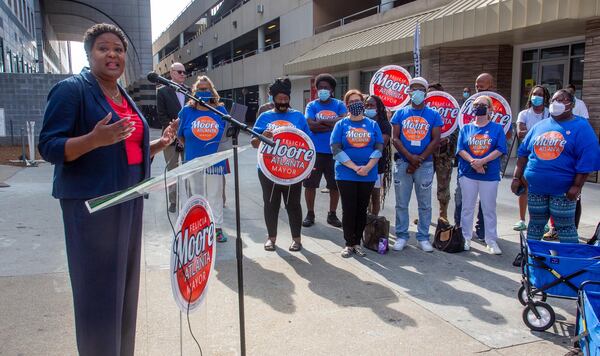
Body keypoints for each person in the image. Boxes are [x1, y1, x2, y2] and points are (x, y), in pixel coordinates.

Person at [37, 24, 177, 356]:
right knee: (97, 292)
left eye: (118, 49)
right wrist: (92, 139)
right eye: (104, 48)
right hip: (91, 206)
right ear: (90, 54)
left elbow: (124, 149)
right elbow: (49, 146)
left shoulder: (120, 93)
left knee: (124, 289)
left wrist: (158, 144)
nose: (112, 54)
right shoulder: (71, 90)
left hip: (128, 199)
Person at [512, 89, 600, 243]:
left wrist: (577, 185)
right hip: (536, 188)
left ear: (571, 104)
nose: (555, 103)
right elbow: (523, 153)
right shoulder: (541, 125)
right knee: (535, 225)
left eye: (561, 100)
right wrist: (516, 177)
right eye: (553, 100)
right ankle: (532, 258)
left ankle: (570, 262)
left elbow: (587, 158)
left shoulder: (581, 127)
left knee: (565, 228)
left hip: (563, 191)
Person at [252, 78, 311, 252]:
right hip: (268, 169)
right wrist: (263, 136)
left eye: (286, 99)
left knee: (293, 204)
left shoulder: (298, 116)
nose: (283, 102)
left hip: (293, 170)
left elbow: (308, 144)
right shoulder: (264, 117)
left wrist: (307, 168)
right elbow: (254, 142)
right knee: (271, 204)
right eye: (280, 99)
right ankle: (271, 238)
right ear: (273, 99)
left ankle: (296, 239)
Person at [390, 77, 442, 252]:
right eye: (413, 89)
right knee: (401, 203)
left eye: (420, 89)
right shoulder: (400, 113)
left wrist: (419, 159)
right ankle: (402, 235)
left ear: (425, 92)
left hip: (425, 165)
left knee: (425, 204)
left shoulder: (433, 115)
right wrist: (410, 157)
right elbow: (395, 138)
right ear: (409, 92)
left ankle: (423, 237)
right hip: (403, 162)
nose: (417, 92)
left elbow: (436, 140)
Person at [331, 89, 383, 257]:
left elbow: (379, 147)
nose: (356, 105)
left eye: (358, 101)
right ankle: (348, 243)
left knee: (361, 209)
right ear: (347, 105)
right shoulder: (341, 125)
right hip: (346, 174)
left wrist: (367, 167)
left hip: (368, 174)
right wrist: (354, 167)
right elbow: (335, 148)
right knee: (349, 209)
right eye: (351, 102)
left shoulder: (372, 125)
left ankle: (357, 242)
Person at [177, 75, 230, 243]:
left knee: (215, 194)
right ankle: (199, 227)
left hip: (215, 160)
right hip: (194, 160)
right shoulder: (187, 111)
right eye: (200, 89)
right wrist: (194, 146)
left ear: (211, 90)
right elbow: (180, 136)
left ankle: (217, 228)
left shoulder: (220, 110)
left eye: (206, 89)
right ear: (194, 91)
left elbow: (227, 135)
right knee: (196, 194)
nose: (203, 92)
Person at [457, 95, 507, 254]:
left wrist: (482, 161)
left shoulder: (497, 129)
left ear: (490, 109)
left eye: (483, 105)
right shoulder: (466, 128)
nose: (479, 107)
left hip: (489, 175)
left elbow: (500, 149)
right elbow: (460, 149)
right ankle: (465, 237)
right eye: (476, 104)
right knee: (467, 208)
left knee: (489, 208)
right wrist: (474, 162)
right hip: (468, 174)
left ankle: (491, 240)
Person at [302, 73, 345, 228]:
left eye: (326, 88)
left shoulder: (339, 104)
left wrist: (321, 122)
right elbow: (310, 125)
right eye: (320, 88)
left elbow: (342, 122)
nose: (323, 90)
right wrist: (331, 124)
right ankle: (310, 213)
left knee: (334, 185)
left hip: (335, 152)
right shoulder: (311, 105)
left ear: (332, 89)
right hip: (314, 151)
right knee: (310, 185)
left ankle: (332, 214)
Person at [513, 85, 551, 231]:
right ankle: (522, 219)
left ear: (545, 97)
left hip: (545, 156)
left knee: (542, 189)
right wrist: (541, 134)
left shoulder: (549, 114)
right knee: (524, 188)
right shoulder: (524, 114)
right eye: (534, 94)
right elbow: (520, 133)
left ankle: (543, 221)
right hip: (527, 155)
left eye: (540, 94)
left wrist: (530, 133)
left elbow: (553, 132)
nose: (537, 96)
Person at [157, 62, 187, 213]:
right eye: (180, 72)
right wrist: (173, 130)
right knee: (172, 170)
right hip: (170, 138)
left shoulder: (189, 91)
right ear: (172, 73)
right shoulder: (162, 92)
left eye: (184, 72)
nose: (183, 74)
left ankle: (190, 200)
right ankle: (173, 201)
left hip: (188, 138)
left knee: (189, 169)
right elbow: (161, 115)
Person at [428, 83, 458, 221]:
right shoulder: (424, 111)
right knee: (424, 187)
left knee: (443, 187)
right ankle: (425, 215)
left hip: (444, 156)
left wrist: (448, 138)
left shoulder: (451, 111)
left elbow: (457, 131)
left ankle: (443, 214)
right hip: (427, 155)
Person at [364, 95, 392, 215]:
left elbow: (381, 144)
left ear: (379, 108)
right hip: (360, 163)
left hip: (377, 165)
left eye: (371, 105)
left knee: (375, 195)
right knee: (363, 195)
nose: (368, 108)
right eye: (367, 105)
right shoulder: (361, 122)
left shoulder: (384, 124)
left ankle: (373, 219)